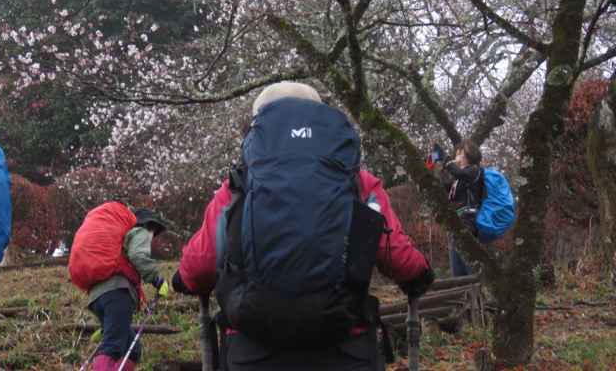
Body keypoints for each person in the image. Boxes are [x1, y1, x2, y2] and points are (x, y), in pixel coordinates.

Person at [172, 82, 434, 371]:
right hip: (344, 346)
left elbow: (199, 267)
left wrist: (183, 281)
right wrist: (420, 272)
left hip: (253, 351)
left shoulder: (237, 187)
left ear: (256, 129)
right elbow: (396, 255)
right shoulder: (357, 182)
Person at [88, 207, 170, 371]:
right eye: (152, 229)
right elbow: (138, 256)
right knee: (112, 348)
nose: (152, 234)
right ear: (146, 225)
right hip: (117, 294)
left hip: (97, 297)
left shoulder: (119, 239)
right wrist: (156, 280)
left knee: (133, 351)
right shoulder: (139, 232)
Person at [433, 139, 485, 277]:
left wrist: (445, 158)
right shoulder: (460, 178)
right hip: (459, 219)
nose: (456, 156)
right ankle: (462, 295)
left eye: (460, 153)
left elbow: (458, 173)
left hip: (468, 219)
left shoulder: (474, 170)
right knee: (457, 267)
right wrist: (441, 170)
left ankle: (476, 293)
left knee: (467, 261)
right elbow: (444, 187)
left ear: (470, 155)